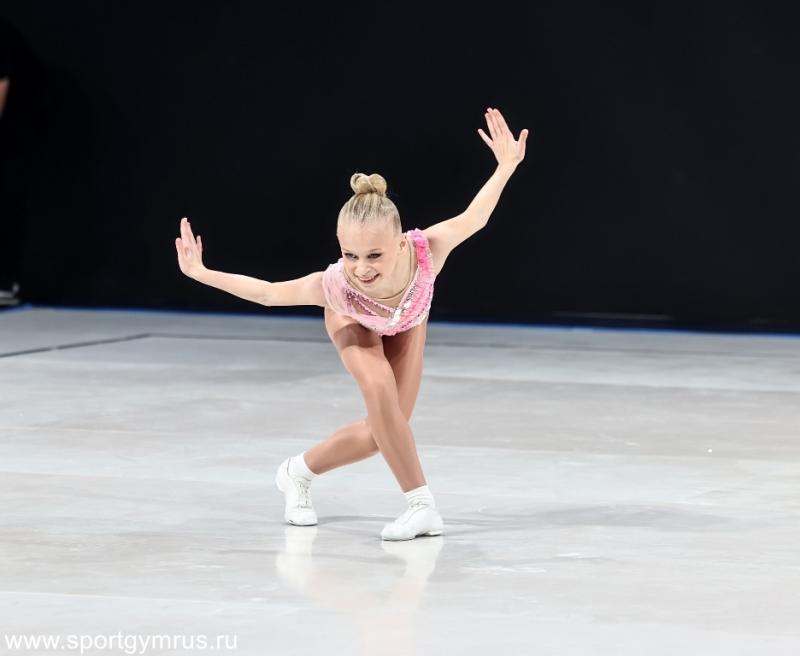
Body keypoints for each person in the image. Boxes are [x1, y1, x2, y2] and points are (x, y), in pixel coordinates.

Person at [175, 107, 528, 540]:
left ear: (401, 244)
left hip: (408, 320)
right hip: (353, 319)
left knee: (384, 433)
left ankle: (296, 472)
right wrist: (202, 273)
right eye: (350, 255)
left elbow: (475, 217)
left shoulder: (428, 251)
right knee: (378, 390)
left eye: (374, 255)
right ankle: (422, 507)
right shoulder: (337, 285)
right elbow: (268, 292)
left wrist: (506, 166)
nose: (361, 268)